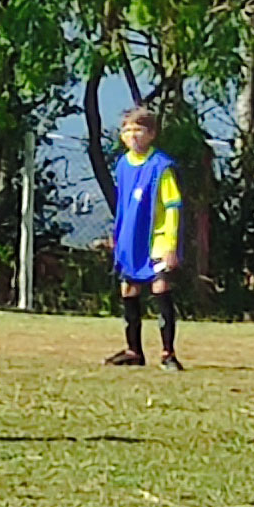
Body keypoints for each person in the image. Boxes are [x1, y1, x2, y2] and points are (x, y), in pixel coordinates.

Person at [104, 106, 186, 370]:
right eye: (127, 130)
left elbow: (172, 206)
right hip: (131, 237)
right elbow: (123, 205)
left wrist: (170, 245)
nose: (132, 135)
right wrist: (117, 235)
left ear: (151, 134)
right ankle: (133, 350)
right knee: (129, 288)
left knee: (160, 288)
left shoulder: (161, 167)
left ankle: (168, 353)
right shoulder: (123, 165)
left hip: (157, 239)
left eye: (138, 130)